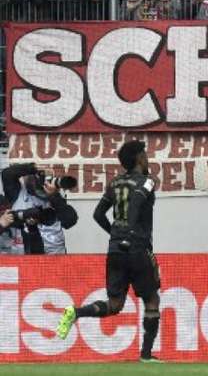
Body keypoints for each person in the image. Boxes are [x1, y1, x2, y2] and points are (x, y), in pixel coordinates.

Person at [56, 140, 162, 363]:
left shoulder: (114, 183)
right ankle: (146, 355)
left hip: (115, 249)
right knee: (151, 300)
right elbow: (135, 203)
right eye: (145, 153)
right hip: (138, 248)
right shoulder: (148, 182)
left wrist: (115, 234)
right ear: (139, 158)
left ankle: (75, 312)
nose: (148, 157)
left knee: (115, 305)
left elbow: (97, 214)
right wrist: (131, 232)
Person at [0, 163, 78, 255]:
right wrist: (33, 168)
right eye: (39, 177)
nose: (41, 182)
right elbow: (7, 173)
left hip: (55, 257)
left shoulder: (54, 197)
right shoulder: (17, 193)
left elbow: (70, 221)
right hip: (23, 256)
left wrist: (54, 196)